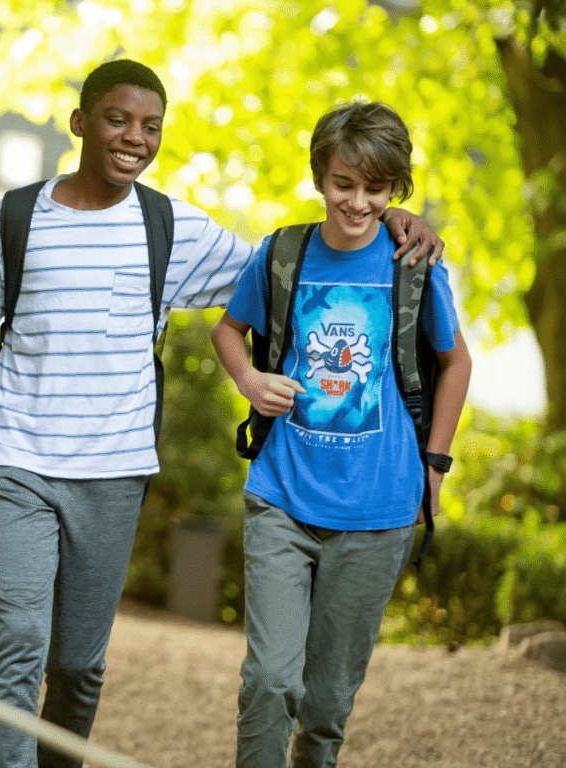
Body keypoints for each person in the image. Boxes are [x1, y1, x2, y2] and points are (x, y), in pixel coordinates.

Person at [0, 60, 441, 768]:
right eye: (117, 119)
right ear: (80, 122)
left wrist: (390, 216)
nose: (134, 137)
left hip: (114, 471)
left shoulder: (169, 227)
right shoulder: (13, 218)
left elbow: (300, 263)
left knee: (78, 666)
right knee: (19, 642)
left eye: (151, 126)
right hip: (16, 458)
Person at [211, 101, 472, 768]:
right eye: (343, 183)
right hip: (282, 495)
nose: (358, 202)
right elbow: (228, 330)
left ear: (397, 188)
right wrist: (249, 380)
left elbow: (455, 362)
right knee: (270, 680)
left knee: (327, 706)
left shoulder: (414, 265)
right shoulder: (283, 253)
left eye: (376, 188)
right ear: (319, 177)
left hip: (379, 511)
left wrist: (435, 466)